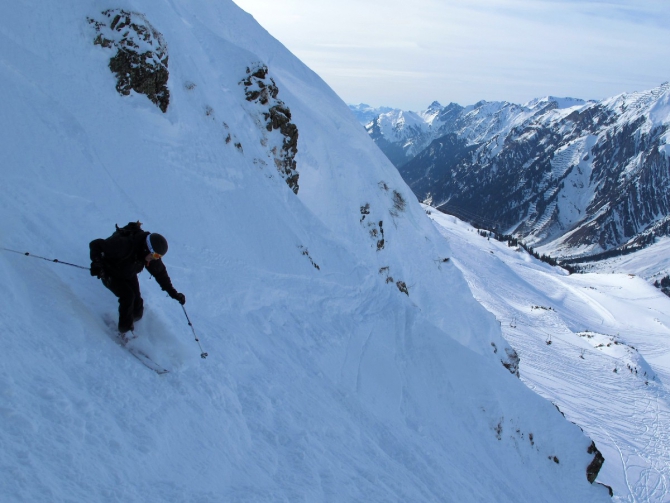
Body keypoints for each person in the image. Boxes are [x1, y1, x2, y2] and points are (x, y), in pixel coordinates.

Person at [89, 222, 185, 334]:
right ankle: (125, 331)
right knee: (128, 296)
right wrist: (97, 264)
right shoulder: (124, 245)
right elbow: (96, 244)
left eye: (159, 257)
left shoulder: (149, 257)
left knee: (137, 307)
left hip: (128, 272)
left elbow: (161, 274)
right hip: (110, 272)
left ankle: (131, 323)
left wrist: (173, 293)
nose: (155, 259)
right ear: (146, 248)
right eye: (155, 256)